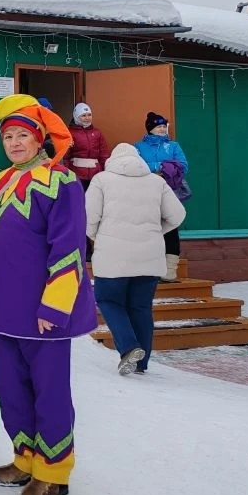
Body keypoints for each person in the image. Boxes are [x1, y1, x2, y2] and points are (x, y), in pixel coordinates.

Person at [0, 94, 97, 495]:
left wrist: (55, 305)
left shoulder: (61, 181)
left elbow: (69, 246)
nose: (14, 143)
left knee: (49, 392)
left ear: (39, 139)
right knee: (9, 387)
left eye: (22, 136)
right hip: (0, 310)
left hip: (41, 312)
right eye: (7, 137)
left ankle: (54, 472)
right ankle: (26, 458)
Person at [87, 143, 186, 375]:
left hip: (112, 257)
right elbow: (178, 215)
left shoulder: (102, 180)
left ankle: (129, 348)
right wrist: (155, 231)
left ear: (112, 160)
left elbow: (88, 218)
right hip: (149, 257)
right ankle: (141, 364)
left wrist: (98, 236)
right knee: (141, 307)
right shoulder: (156, 182)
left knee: (108, 301)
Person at [135, 112, 189, 281]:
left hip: (169, 193)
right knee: (149, 228)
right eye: (159, 126)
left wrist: (159, 169)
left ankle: (170, 270)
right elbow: (137, 166)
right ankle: (150, 268)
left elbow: (183, 166)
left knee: (171, 227)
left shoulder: (173, 146)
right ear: (150, 128)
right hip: (146, 193)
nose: (162, 129)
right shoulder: (138, 146)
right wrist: (161, 166)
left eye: (164, 126)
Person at [66, 103, 109, 191]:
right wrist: (66, 173)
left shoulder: (97, 133)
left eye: (89, 115)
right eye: (83, 115)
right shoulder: (69, 133)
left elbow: (104, 154)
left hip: (95, 175)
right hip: (77, 175)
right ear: (76, 116)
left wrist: (105, 170)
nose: (87, 118)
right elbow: (65, 156)